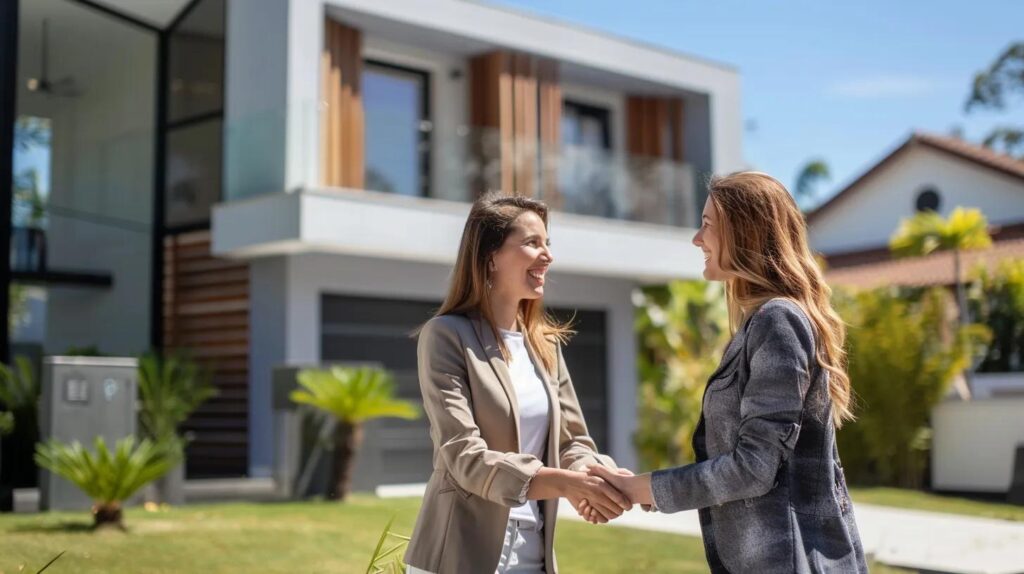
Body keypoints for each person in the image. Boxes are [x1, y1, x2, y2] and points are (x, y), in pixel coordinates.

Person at [584, 172, 868, 572]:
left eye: (707, 225)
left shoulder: (778, 321)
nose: (697, 240)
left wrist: (640, 488)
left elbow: (753, 467)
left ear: (744, 233)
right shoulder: (763, 323)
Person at [405, 193, 632, 574]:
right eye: (532, 243)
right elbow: (463, 456)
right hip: (458, 554)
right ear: (490, 257)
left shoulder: (545, 345)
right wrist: (565, 484)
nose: (547, 256)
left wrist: (599, 475)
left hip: (534, 554)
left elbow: (572, 441)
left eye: (547, 243)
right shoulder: (446, 336)